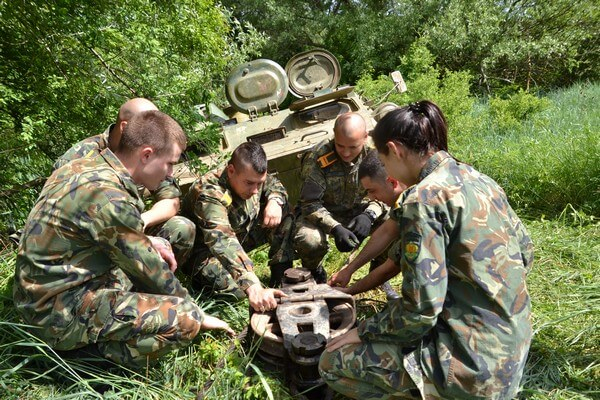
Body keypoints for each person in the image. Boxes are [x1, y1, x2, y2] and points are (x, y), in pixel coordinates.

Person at [320, 101, 534, 399]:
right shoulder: (478, 179)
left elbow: (419, 311)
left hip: (473, 372)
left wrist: (362, 331)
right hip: (513, 352)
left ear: (394, 150)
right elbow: (526, 254)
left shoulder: (423, 199)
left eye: (383, 159)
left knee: (332, 362)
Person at [14, 110, 233, 369]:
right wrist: (196, 313)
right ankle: (82, 362)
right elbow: (151, 272)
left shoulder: (90, 164)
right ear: (147, 155)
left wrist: (146, 244)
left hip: (46, 290)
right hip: (53, 312)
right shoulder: (110, 198)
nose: (170, 173)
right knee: (185, 318)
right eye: (170, 163)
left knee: (168, 239)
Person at [54, 98, 195, 266]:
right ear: (125, 127)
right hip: (90, 237)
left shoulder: (154, 152)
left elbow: (170, 201)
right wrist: (125, 232)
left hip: (132, 225)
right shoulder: (80, 157)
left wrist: (141, 222)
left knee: (182, 227)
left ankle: (149, 284)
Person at [181, 141, 292, 312]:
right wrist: (252, 284)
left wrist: (274, 200)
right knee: (239, 292)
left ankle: (280, 274)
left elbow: (273, 184)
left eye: (259, 183)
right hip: (207, 252)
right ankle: (199, 284)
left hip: (241, 236)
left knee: (282, 211)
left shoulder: (253, 176)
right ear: (231, 171)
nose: (255, 190)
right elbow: (222, 241)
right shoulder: (209, 192)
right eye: (249, 183)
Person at [292, 112, 387, 283]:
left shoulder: (376, 153)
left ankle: (379, 273)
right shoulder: (318, 157)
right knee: (309, 239)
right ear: (334, 136)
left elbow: (388, 191)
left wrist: (370, 214)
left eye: (353, 147)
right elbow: (309, 204)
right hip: (325, 214)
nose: (345, 152)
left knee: (395, 222)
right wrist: (335, 228)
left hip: (361, 210)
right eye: (340, 145)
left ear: (365, 137)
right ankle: (315, 272)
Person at [328, 150, 406, 297]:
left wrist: (350, 291)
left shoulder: (416, 207)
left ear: (392, 182)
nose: (370, 197)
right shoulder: (404, 199)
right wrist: (348, 270)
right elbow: (386, 232)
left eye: (372, 191)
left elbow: (390, 267)